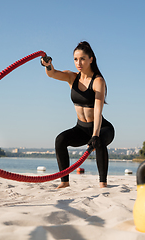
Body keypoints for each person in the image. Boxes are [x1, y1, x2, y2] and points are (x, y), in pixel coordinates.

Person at [41, 41, 115, 188]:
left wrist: (95, 135)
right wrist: (48, 65)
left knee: (99, 141)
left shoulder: (98, 81)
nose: (78, 62)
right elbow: (52, 74)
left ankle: (102, 183)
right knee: (60, 140)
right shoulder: (71, 77)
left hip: (102, 127)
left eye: (82, 59)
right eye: (75, 59)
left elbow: (98, 110)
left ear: (91, 59)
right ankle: (65, 182)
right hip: (81, 128)